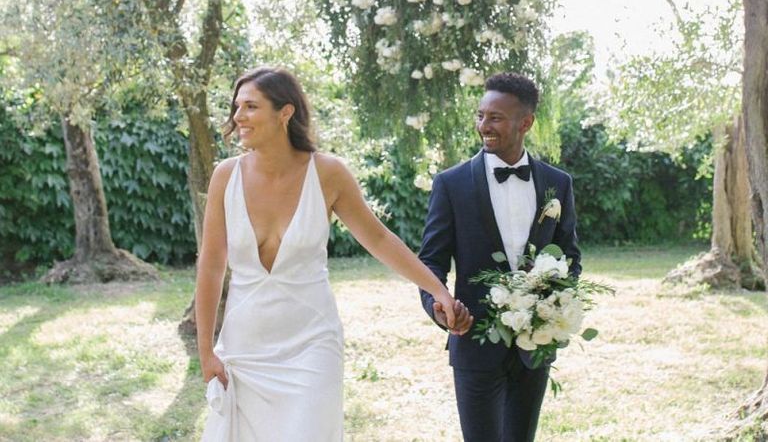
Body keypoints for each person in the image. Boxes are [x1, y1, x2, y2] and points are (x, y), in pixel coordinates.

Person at [196, 66, 471, 441]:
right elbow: (211, 266)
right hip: (245, 350)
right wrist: (205, 351)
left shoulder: (327, 173)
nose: (237, 117)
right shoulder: (225, 176)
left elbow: (379, 239)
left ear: (285, 112)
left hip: (311, 344)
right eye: (236, 107)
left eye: (250, 106)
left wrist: (438, 289)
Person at [418, 72, 581, 442]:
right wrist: (438, 305)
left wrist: (553, 308)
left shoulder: (558, 184)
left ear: (526, 122)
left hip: (534, 347)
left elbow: (570, 257)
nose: (483, 126)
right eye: (480, 116)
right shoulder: (451, 184)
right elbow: (431, 261)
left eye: (495, 118)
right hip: (474, 340)